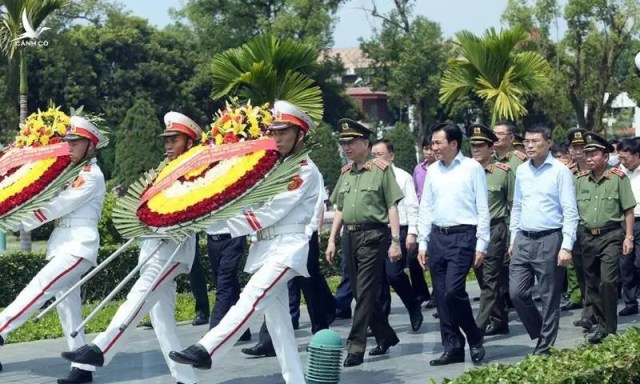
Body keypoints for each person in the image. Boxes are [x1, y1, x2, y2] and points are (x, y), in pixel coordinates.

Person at [168, 101, 322, 384]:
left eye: (283, 132)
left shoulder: (304, 170)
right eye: (273, 131)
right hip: (266, 248)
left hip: (287, 248)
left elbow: (272, 210)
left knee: (251, 298)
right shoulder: (274, 167)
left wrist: (226, 222)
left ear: (300, 134)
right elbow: (249, 200)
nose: (276, 137)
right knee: (280, 328)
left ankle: (208, 348)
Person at [62, 112, 202, 384]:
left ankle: (99, 349)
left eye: (175, 139)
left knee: (138, 296)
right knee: (162, 320)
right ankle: (187, 380)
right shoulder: (164, 169)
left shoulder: (196, 170)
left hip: (174, 248)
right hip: (153, 247)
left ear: (189, 141)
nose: (168, 144)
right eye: (167, 139)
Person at [0, 116, 106, 384]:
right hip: (63, 243)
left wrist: (17, 217)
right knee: (67, 307)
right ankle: (82, 368)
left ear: (90, 147)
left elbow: (57, 207)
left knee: (41, 286)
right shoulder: (70, 173)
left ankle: (1, 327)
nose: (69, 147)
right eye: (68, 141)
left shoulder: (91, 175)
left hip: (79, 245)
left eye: (77, 142)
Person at [325, 119, 403, 368]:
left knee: (366, 291)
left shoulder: (381, 169)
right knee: (360, 292)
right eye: (343, 143)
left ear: (365, 144)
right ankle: (386, 335)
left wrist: (395, 240)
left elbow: (392, 205)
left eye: (351, 142)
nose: (346, 147)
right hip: (350, 235)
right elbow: (339, 208)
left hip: (373, 236)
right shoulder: (346, 173)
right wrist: (331, 239)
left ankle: (355, 347)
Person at [417, 123, 488, 366]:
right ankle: (453, 346)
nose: (433, 147)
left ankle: (474, 336)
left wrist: (482, 244)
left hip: (463, 236)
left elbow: (482, 208)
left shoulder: (472, 168)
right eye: (433, 143)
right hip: (438, 237)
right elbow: (426, 207)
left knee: (453, 291)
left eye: (438, 143)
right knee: (440, 295)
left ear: (454, 144)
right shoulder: (433, 170)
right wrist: (423, 243)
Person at [242, 180, 335, 358]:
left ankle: (320, 334)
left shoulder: (308, 169)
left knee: (310, 285)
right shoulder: (274, 171)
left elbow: (320, 205)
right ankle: (268, 341)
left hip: (304, 234)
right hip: (279, 238)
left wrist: (314, 231)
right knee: (276, 288)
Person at [509, 124, 579, 355]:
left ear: (548, 143)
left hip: (550, 239)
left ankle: (544, 346)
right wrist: (513, 238)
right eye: (527, 141)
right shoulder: (521, 171)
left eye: (535, 141)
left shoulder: (560, 171)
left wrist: (567, 245)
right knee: (516, 293)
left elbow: (570, 211)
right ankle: (541, 331)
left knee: (550, 296)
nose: (529, 145)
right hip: (523, 238)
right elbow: (517, 206)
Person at [574, 132, 635, 344]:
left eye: (594, 154)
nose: (588, 157)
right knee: (592, 283)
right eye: (587, 154)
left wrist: (628, 237)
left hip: (610, 235)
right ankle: (601, 324)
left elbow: (628, 209)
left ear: (606, 157)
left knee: (608, 281)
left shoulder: (618, 178)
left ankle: (609, 327)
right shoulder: (580, 181)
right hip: (586, 237)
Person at [371, 139, 423, 332]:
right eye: (373, 155)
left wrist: (412, 234)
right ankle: (382, 325)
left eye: (380, 154)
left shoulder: (402, 177)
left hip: (397, 231)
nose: (376, 159)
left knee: (394, 275)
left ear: (391, 156)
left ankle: (412, 303)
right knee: (378, 281)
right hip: (376, 231)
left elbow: (412, 207)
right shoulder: (370, 176)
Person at [468, 124, 514, 336]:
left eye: (480, 146)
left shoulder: (503, 173)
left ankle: (478, 326)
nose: (476, 150)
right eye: (473, 146)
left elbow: (514, 205)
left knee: (490, 278)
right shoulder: (466, 172)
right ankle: (499, 319)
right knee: (482, 276)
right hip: (472, 229)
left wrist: (512, 237)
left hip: (495, 229)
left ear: (491, 147)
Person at [616, 138, 640, 316]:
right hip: (624, 223)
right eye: (620, 157)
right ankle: (630, 302)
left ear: (637, 156)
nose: (623, 161)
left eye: (626, 158)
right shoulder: (617, 173)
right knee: (626, 265)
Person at [411, 136, 435, 307]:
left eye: (430, 148)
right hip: (421, 216)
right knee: (416, 257)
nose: (427, 152)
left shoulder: (441, 169)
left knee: (435, 257)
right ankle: (421, 292)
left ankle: (437, 295)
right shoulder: (418, 169)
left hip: (437, 217)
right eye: (425, 148)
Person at [188, 233, 210, 326]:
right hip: (164, 232)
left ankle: (203, 312)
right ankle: (160, 313)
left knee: (194, 270)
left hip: (187, 230)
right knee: (163, 275)